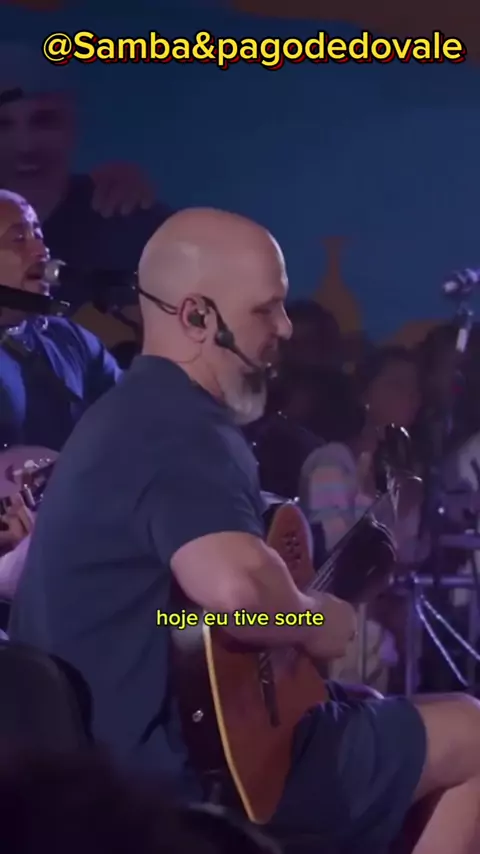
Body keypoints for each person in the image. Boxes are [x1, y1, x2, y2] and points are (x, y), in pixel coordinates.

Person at [9, 208, 480, 854]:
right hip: (171, 781)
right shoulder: (180, 427)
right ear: (198, 317)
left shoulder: (130, 412)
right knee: (472, 731)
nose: (285, 327)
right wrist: (317, 622)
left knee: (367, 705)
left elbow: (174, 620)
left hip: (106, 767)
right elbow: (237, 599)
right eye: (267, 309)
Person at [0, 43, 173, 360]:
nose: (25, 145)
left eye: (44, 120)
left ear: (74, 124)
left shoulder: (135, 227)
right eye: (3, 124)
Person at [0, 189, 121, 452]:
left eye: (38, 235)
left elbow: (131, 416)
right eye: (19, 239)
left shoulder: (71, 339)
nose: (41, 251)